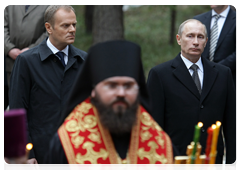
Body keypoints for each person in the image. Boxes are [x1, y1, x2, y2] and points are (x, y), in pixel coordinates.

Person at [43, 40, 174, 170]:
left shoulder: (159, 140)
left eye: (128, 86)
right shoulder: (66, 142)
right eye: (112, 86)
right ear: (93, 91)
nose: (121, 93)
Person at [147, 19, 237, 170]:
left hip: (212, 160)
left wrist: (233, 161)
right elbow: (154, 123)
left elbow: (232, 121)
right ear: (178, 39)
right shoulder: (160, 75)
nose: (195, 42)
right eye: (190, 36)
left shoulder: (223, 73)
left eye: (200, 37)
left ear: (206, 41)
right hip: (176, 160)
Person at [9, 5, 87, 169]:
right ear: (48, 28)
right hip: (41, 154)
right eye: (65, 25)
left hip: (78, 152)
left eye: (74, 24)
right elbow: (18, 109)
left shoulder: (84, 60)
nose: (72, 29)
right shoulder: (27, 61)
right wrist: (27, 153)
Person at [193, 5, 238, 93]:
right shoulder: (198, 20)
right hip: (200, 82)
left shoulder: (237, 20)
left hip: (230, 81)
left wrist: (215, 69)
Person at [4, 5, 49, 86]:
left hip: (38, 63)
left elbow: (50, 31)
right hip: (10, 62)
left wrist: (32, 49)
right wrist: (9, 49)